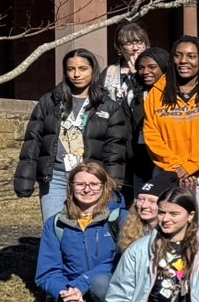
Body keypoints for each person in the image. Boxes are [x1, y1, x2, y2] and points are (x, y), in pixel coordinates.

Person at [16, 48, 130, 222]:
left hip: (90, 180)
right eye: (71, 69)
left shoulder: (108, 106)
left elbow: (114, 150)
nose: (76, 74)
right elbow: (33, 140)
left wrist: (112, 184)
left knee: (87, 229)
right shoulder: (50, 101)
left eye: (83, 69)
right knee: (53, 226)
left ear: (93, 70)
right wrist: (24, 180)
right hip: (55, 177)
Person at [35, 160, 121, 302]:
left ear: (104, 186)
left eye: (93, 184)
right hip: (74, 289)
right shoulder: (55, 224)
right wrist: (64, 291)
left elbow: (120, 260)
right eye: (80, 184)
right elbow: (47, 272)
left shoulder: (119, 218)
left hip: (109, 288)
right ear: (71, 187)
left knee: (100, 284)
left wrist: (84, 282)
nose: (87, 189)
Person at [143, 37, 199, 206]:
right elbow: (151, 134)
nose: (183, 61)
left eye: (191, 56)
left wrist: (190, 166)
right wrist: (176, 168)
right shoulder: (157, 92)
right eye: (178, 55)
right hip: (167, 171)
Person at [103, 23, 151, 105]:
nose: (135, 48)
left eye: (140, 42)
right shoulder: (110, 71)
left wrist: (137, 75)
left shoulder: (154, 69)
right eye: (129, 43)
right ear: (120, 47)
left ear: (146, 45)